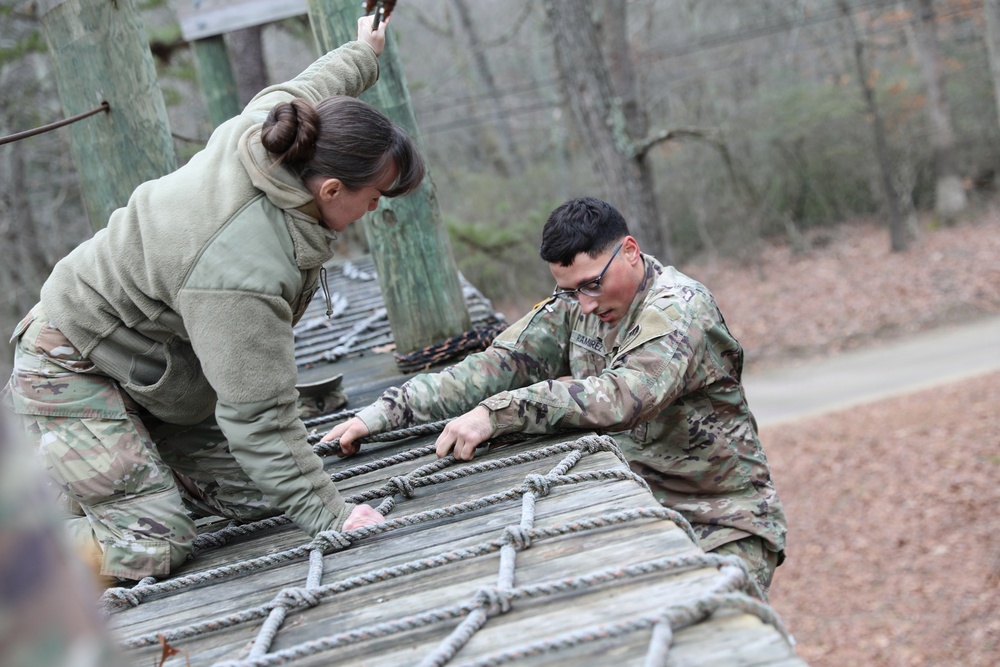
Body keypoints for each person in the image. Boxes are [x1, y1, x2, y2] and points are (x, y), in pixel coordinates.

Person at [2, 16, 422, 585]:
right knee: (153, 544)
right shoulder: (241, 271)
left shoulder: (272, 132)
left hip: (149, 376)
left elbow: (317, 82)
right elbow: (259, 418)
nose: (375, 210)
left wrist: (366, 49)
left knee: (259, 496)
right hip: (69, 364)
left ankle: (113, 468)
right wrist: (334, 516)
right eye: (372, 198)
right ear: (329, 190)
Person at [327, 197, 787, 596]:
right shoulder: (578, 304)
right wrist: (385, 413)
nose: (585, 303)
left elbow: (622, 398)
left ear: (629, 251)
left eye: (592, 284)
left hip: (721, 522)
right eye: (570, 290)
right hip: (632, 506)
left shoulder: (677, 311)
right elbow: (492, 368)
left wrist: (499, 414)